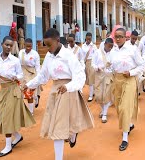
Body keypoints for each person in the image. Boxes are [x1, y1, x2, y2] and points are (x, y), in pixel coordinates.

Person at [23, 28, 94, 160]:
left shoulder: (69, 56)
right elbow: (42, 77)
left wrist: (68, 87)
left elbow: (80, 76)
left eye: (49, 45)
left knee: (62, 125)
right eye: (46, 45)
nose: (48, 48)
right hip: (56, 92)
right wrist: (28, 85)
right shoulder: (49, 57)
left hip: (68, 91)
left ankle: (71, 137)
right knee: (57, 126)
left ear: (57, 40)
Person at [0, 36, 35, 157]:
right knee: (3, 116)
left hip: (13, 91)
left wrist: (17, 77)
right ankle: (18, 136)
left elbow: (20, 75)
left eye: (11, 45)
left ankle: (8, 146)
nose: (9, 47)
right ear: (1, 44)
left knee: (6, 117)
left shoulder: (15, 60)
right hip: (2, 90)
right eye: (6, 45)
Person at [109, 28, 145, 151]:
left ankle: (125, 138)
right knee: (119, 107)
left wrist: (131, 72)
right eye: (116, 37)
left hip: (129, 79)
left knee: (125, 107)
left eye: (120, 36)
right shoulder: (113, 51)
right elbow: (111, 66)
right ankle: (129, 124)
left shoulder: (132, 50)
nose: (118, 39)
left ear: (125, 37)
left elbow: (142, 65)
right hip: (117, 80)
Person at [92, 37, 114, 123]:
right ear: (105, 44)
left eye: (112, 46)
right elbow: (93, 63)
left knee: (106, 95)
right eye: (109, 46)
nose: (110, 48)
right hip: (99, 75)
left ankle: (104, 114)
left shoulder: (113, 53)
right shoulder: (97, 52)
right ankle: (103, 109)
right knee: (98, 96)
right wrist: (97, 68)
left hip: (109, 76)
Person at [18, 38, 41, 115]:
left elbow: (37, 67)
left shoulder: (35, 54)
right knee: (21, 91)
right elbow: (18, 64)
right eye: (27, 46)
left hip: (31, 73)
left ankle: (31, 112)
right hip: (22, 73)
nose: (28, 48)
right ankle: (36, 97)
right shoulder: (21, 52)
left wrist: (38, 78)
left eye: (30, 46)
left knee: (30, 92)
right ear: (24, 45)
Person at [82, 33, 98, 102]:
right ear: (85, 38)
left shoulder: (93, 46)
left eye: (90, 39)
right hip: (85, 63)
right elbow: (82, 55)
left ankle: (91, 95)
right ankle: (93, 91)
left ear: (91, 38)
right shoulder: (83, 46)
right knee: (87, 79)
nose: (88, 40)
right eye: (87, 39)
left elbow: (96, 55)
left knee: (91, 79)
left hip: (92, 63)